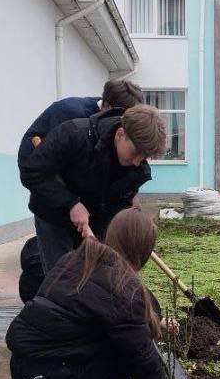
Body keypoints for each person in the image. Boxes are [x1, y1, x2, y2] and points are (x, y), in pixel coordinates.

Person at [6, 208, 180, 379]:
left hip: (24, 372)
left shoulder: (76, 259)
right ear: (143, 251)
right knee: (122, 346)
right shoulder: (124, 286)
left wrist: (155, 322)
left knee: (104, 335)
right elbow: (138, 350)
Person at [20, 103, 166, 276]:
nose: (137, 162)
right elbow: (32, 172)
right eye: (135, 153)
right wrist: (71, 204)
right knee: (61, 280)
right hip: (53, 218)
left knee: (96, 280)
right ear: (120, 134)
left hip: (93, 225)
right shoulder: (74, 134)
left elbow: (118, 208)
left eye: (144, 157)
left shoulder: (136, 170)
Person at [16, 77, 144, 172]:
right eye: (121, 117)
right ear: (107, 106)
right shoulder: (72, 114)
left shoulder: (105, 115)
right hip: (35, 159)